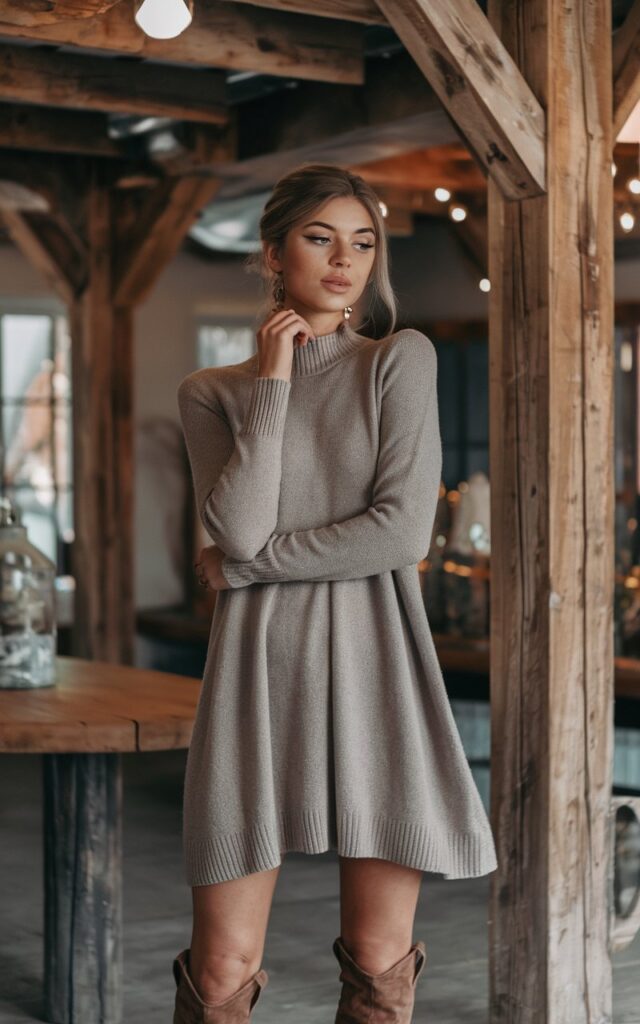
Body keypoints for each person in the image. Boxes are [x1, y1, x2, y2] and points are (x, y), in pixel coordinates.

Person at [173, 163, 498, 1024]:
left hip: (377, 667)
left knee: (381, 961)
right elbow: (238, 526)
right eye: (321, 238)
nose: (344, 260)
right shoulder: (214, 394)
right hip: (252, 681)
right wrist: (274, 383)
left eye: (362, 242)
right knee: (219, 971)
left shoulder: (401, 361)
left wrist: (244, 569)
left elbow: (399, 535)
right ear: (274, 253)